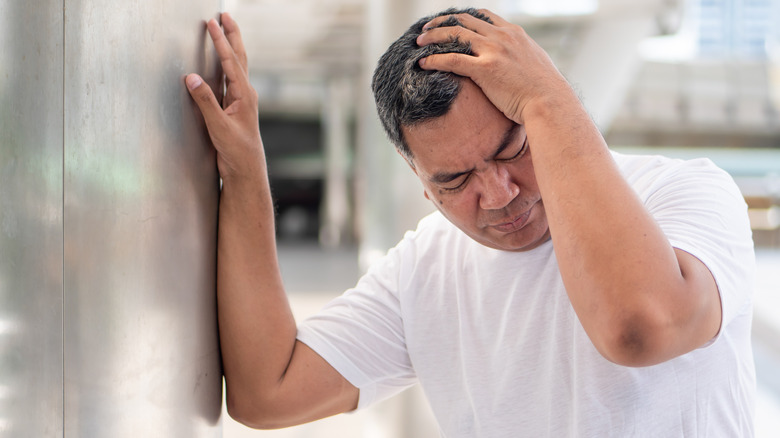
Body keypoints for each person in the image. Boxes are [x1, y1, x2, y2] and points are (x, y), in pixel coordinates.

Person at [185, 7, 756, 436]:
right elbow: (268, 391)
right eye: (454, 182)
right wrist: (245, 176)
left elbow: (641, 327)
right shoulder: (425, 269)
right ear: (423, 188)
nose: (496, 194)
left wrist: (548, 102)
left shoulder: (685, 193)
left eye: (514, 148)